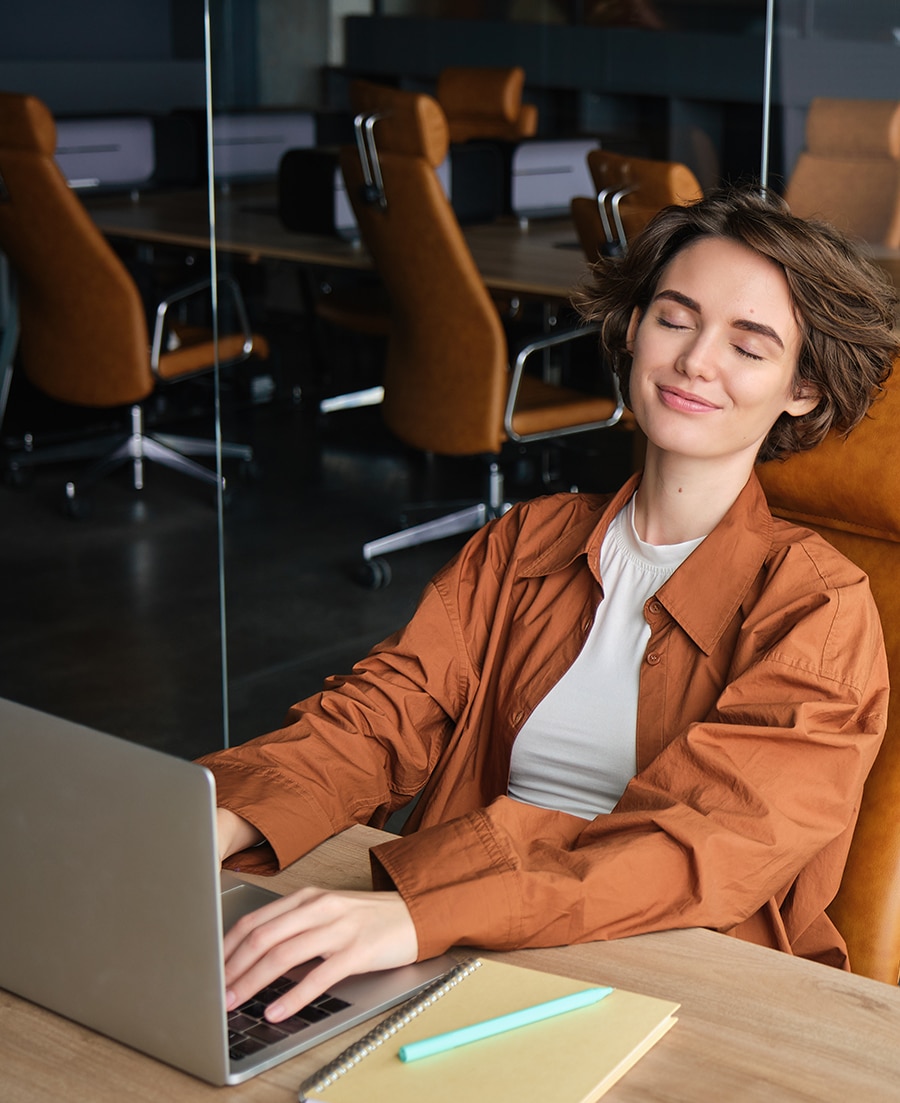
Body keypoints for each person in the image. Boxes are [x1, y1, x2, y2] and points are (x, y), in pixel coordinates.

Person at [199, 187, 899, 1026]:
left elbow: (698, 849)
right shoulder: (525, 541)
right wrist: (219, 813)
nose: (696, 361)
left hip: (680, 981)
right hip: (462, 947)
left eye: (750, 346)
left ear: (804, 390)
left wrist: (424, 912)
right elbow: (382, 716)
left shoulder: (817, 609)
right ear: (634, 329)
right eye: (676, 319)